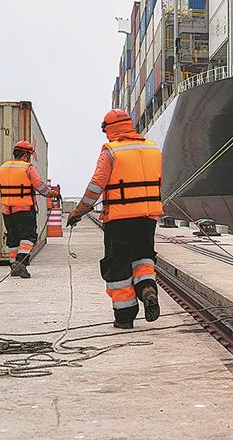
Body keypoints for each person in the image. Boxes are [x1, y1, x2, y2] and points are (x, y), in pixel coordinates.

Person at [66, 109, 163, 329]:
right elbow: (158, 182)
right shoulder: (153, 149)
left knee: (118, 266)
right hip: (148, 218)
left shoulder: (111, 151)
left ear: (108, 128)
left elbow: (96, 186)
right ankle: (147, 289)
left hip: (120, 220)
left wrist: (78, 211)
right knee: (143, 258)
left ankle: (125, 317)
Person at [0, 140, 55, 278]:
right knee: (29, 237)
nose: (29, 158)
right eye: (29, 155)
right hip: (24, 209)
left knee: (13, 238)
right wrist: (51, 193)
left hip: (7, 210)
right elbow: (39, 186)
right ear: (25, 154)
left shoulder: (3, 167)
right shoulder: (27, 168)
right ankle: (20, 263)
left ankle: (13, 266)